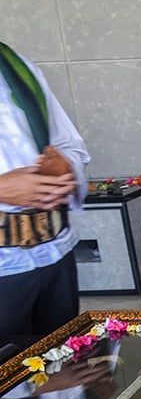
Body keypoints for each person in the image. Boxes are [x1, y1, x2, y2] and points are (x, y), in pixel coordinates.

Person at [0, 42, 89, 344]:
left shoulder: (16, 66)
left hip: (54, 255)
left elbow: (68, 145)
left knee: (61, 363)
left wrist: (65, 168)